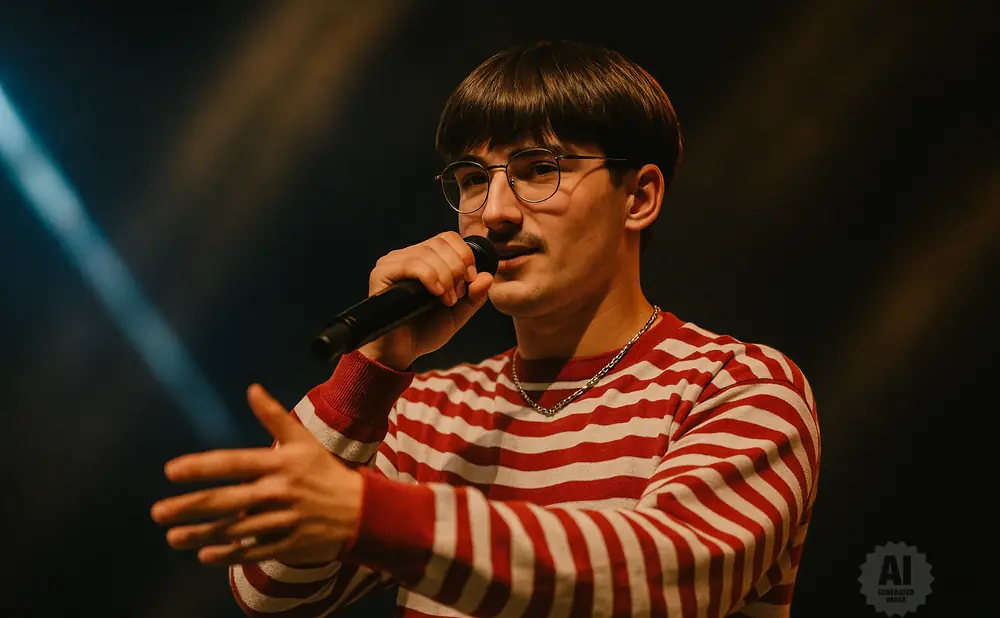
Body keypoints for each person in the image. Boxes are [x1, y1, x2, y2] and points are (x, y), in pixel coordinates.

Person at [152, 40, 821, 617]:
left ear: (639, 197)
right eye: (474, 179)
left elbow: (658, 583)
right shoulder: (430, 410)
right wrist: (373, 368)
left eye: (539, 170)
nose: (494, 211)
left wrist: (371, 515)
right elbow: (270, 592)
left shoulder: (739, 387)